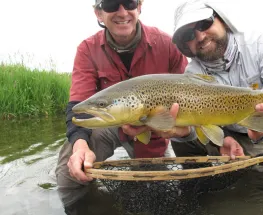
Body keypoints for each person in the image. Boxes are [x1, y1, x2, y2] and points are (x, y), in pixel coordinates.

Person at [55, 0, 191, 213]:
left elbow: (190, 92)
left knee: (157, 189)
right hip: (110, 125)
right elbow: (77, 106)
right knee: (69, 171)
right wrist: (80, 145)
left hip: (155, 130)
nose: (122, 12)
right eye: (111, 4)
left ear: (139, 6)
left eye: (128, 2)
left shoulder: (167, 44)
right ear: (99, 13)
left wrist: (174, 127)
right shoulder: (87, 49)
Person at [170, 0, 263, 172]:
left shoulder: (261, 45)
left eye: (204, 24)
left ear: (222, 20)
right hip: (225, 133)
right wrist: (223, 140)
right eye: (188, 35)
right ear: (185, 44)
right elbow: (199, 123)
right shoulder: (192, 73)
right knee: (181, 138)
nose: (200, 36)